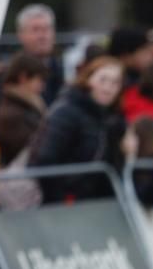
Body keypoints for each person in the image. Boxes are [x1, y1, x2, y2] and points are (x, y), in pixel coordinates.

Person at [28, 55, 128, 203]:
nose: (108, 88)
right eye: (103, 80)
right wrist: (61, 198)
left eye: (115, 83)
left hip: (92, 203)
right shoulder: (67, 112)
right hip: (65, 202)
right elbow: (45, 159)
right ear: (88, 79)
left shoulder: (109, 118)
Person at [0, 52, 48, 166]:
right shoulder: (11, 115)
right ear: (23, 78)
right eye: (39, 80)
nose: (42, 87)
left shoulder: (23, 107)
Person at [14, 4, 64, 105]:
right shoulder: (11, 75)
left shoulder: (64, 70)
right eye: (35, 29)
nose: (42, 35)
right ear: (20, 34)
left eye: (46, 29)